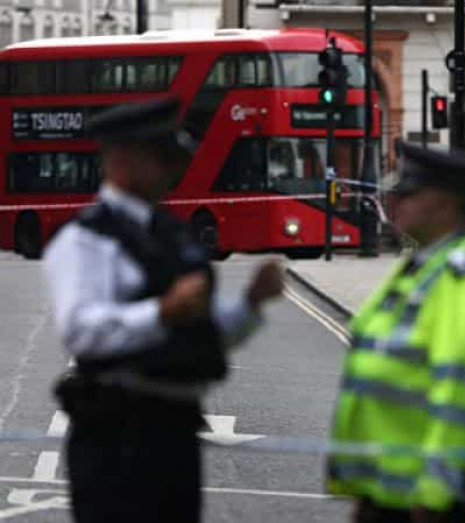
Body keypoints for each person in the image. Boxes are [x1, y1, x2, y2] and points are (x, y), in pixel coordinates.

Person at [42, 97, 284, 523]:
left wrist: (251, 304)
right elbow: (81, 330)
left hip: (176, 432)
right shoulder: (86, 239)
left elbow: (204, 331)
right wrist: (161, 313)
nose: (174, 169)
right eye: (162, 157)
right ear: (121, 159)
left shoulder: (171, 233)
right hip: (117, 437)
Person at [326, 142, 465, 523]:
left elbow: (460, 393)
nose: (396, 202)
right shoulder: (420, 267)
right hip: (389, 490)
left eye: (409, 193)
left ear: (445, 203)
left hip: (426, 500)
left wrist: (435, 494)